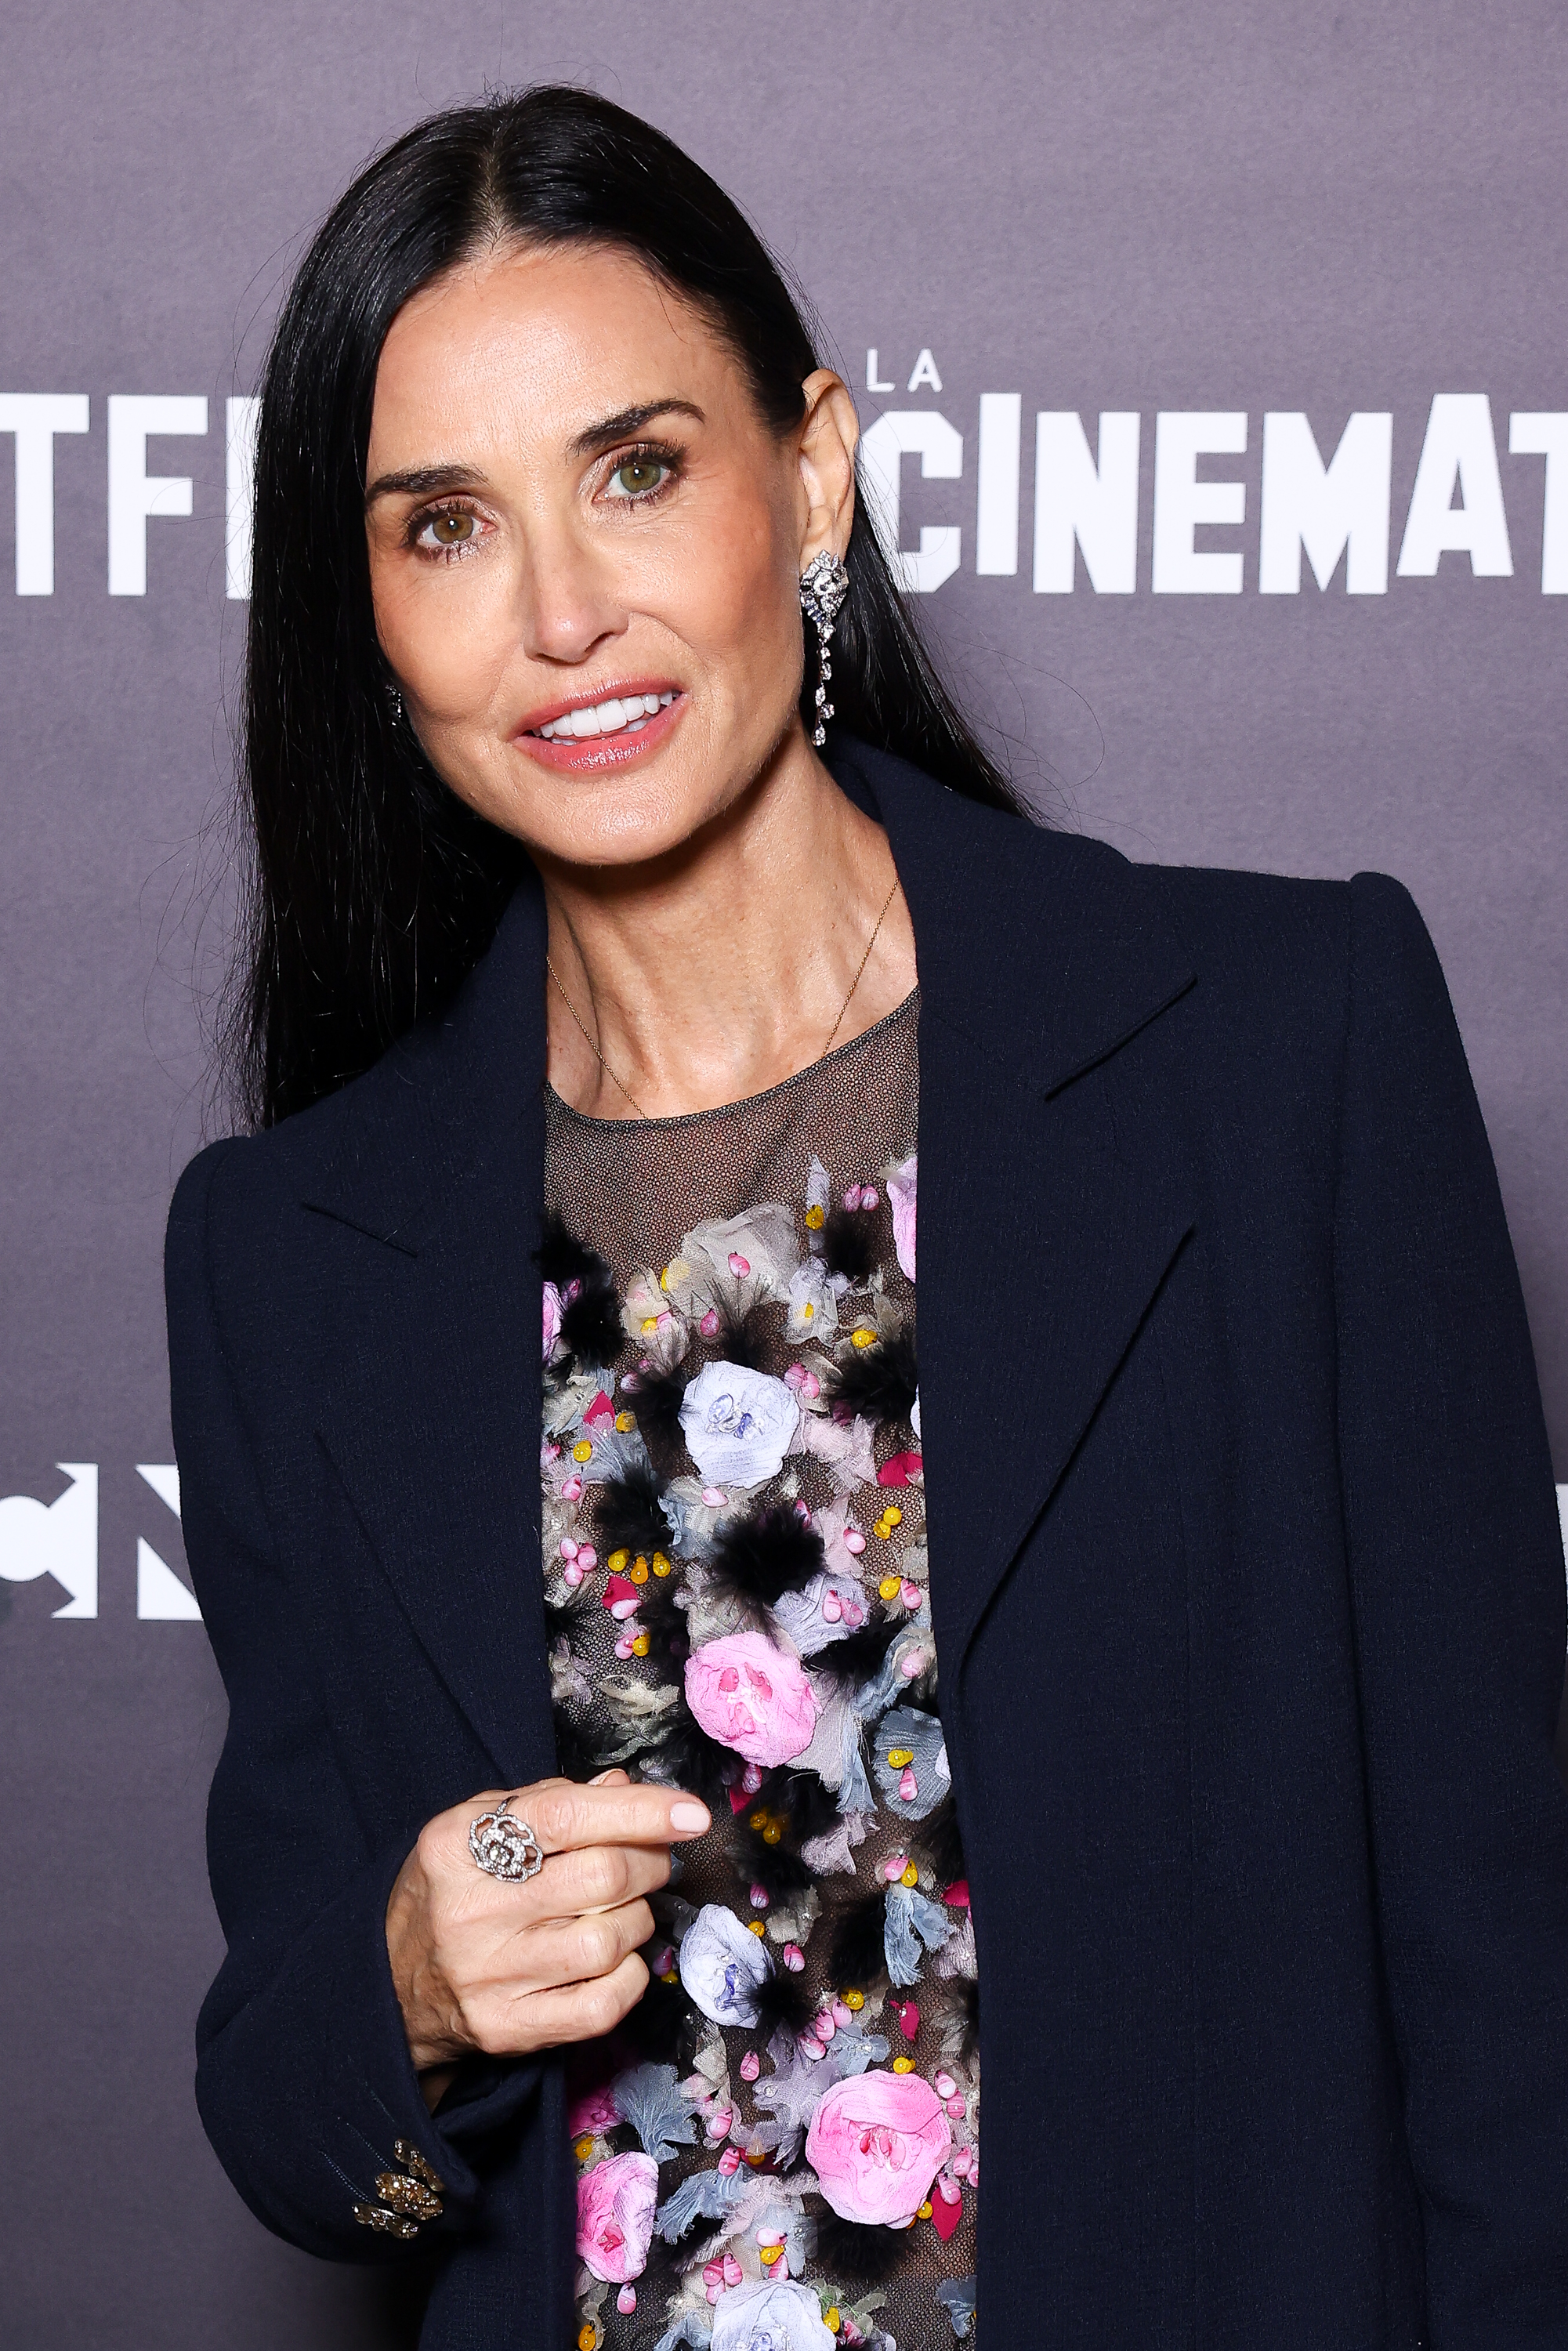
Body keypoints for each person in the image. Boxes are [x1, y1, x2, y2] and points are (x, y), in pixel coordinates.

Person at [164, 84, 1568, 2351]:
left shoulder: (1274, 1048)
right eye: (442, 528)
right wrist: (408, 1982)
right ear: (370, 612)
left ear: (806, 472)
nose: (559, 614)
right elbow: (294, 2098)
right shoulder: (290, 1248)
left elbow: (1507, 1999)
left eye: (636, 471)